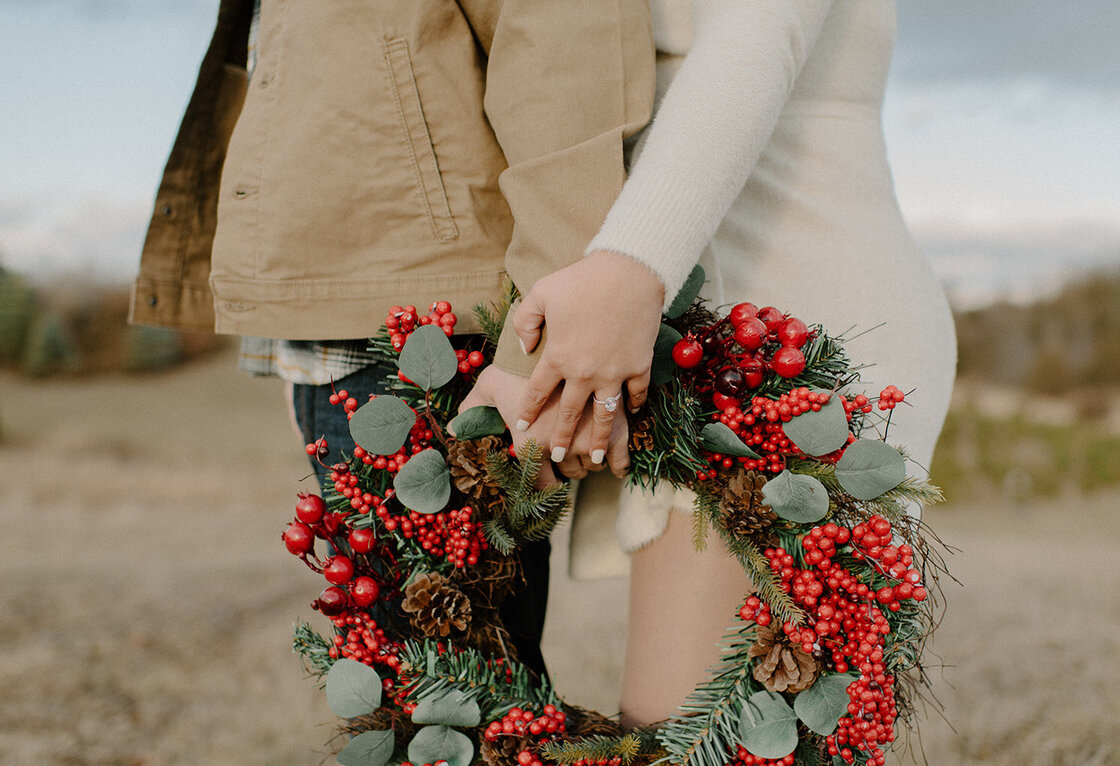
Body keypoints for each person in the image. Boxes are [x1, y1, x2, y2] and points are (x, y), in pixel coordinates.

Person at [130, 0, 656, 679]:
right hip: (357, 329)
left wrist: (549, 338)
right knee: (429, 720)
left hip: (441, 343)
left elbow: (563, 36)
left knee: (450, 729)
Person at [500, 0, 958, 727]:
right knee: (714, 752)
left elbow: (754, 38)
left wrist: (626, 268)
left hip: (797, 322)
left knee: (708, 753)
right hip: (718, 331)